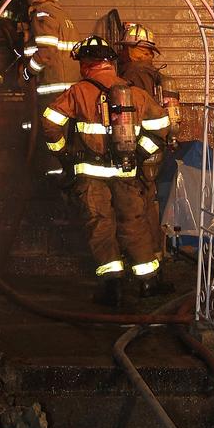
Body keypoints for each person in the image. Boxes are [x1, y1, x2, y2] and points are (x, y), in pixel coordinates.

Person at [41, 34, 171, 306]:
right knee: (133, 223)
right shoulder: (134, 92)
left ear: (86, 64)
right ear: (111, 63)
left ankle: (112, 287)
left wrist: (63, 153)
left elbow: (50, 122)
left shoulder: (78, 92)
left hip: (91, 175)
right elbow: (161, 126)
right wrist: (140, 152)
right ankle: (148, 282)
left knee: (100, 225)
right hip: (127, 171)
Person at [23, 0, 80, 99]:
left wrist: (28, 72)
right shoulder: (59, 13)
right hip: (69, 85)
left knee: (47, 118)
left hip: (53, 87)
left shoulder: (43, 14)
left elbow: (47, 52)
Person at [118, 22, 163, 95]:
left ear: (130, 50)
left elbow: (141, 103)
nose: (120, 52)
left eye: (124, 48)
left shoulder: (134, 73)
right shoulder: (150, 70)